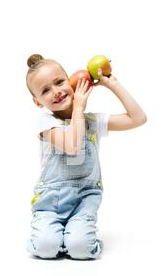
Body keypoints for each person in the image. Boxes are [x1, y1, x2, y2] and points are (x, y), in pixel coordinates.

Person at [25, 54, 147, 260]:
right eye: (45, 90)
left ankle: (74, 236)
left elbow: (138, 118)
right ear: (38, 102)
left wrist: (112, 84)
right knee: (46, 248)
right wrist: (79, 107)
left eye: (59, 82)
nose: (56, 92)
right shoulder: (45, 123)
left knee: (80, 249)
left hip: (84, 201)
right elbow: (72, 145)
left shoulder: (92, 121)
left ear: (71, 81)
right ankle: (50, 236)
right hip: (50, 203)